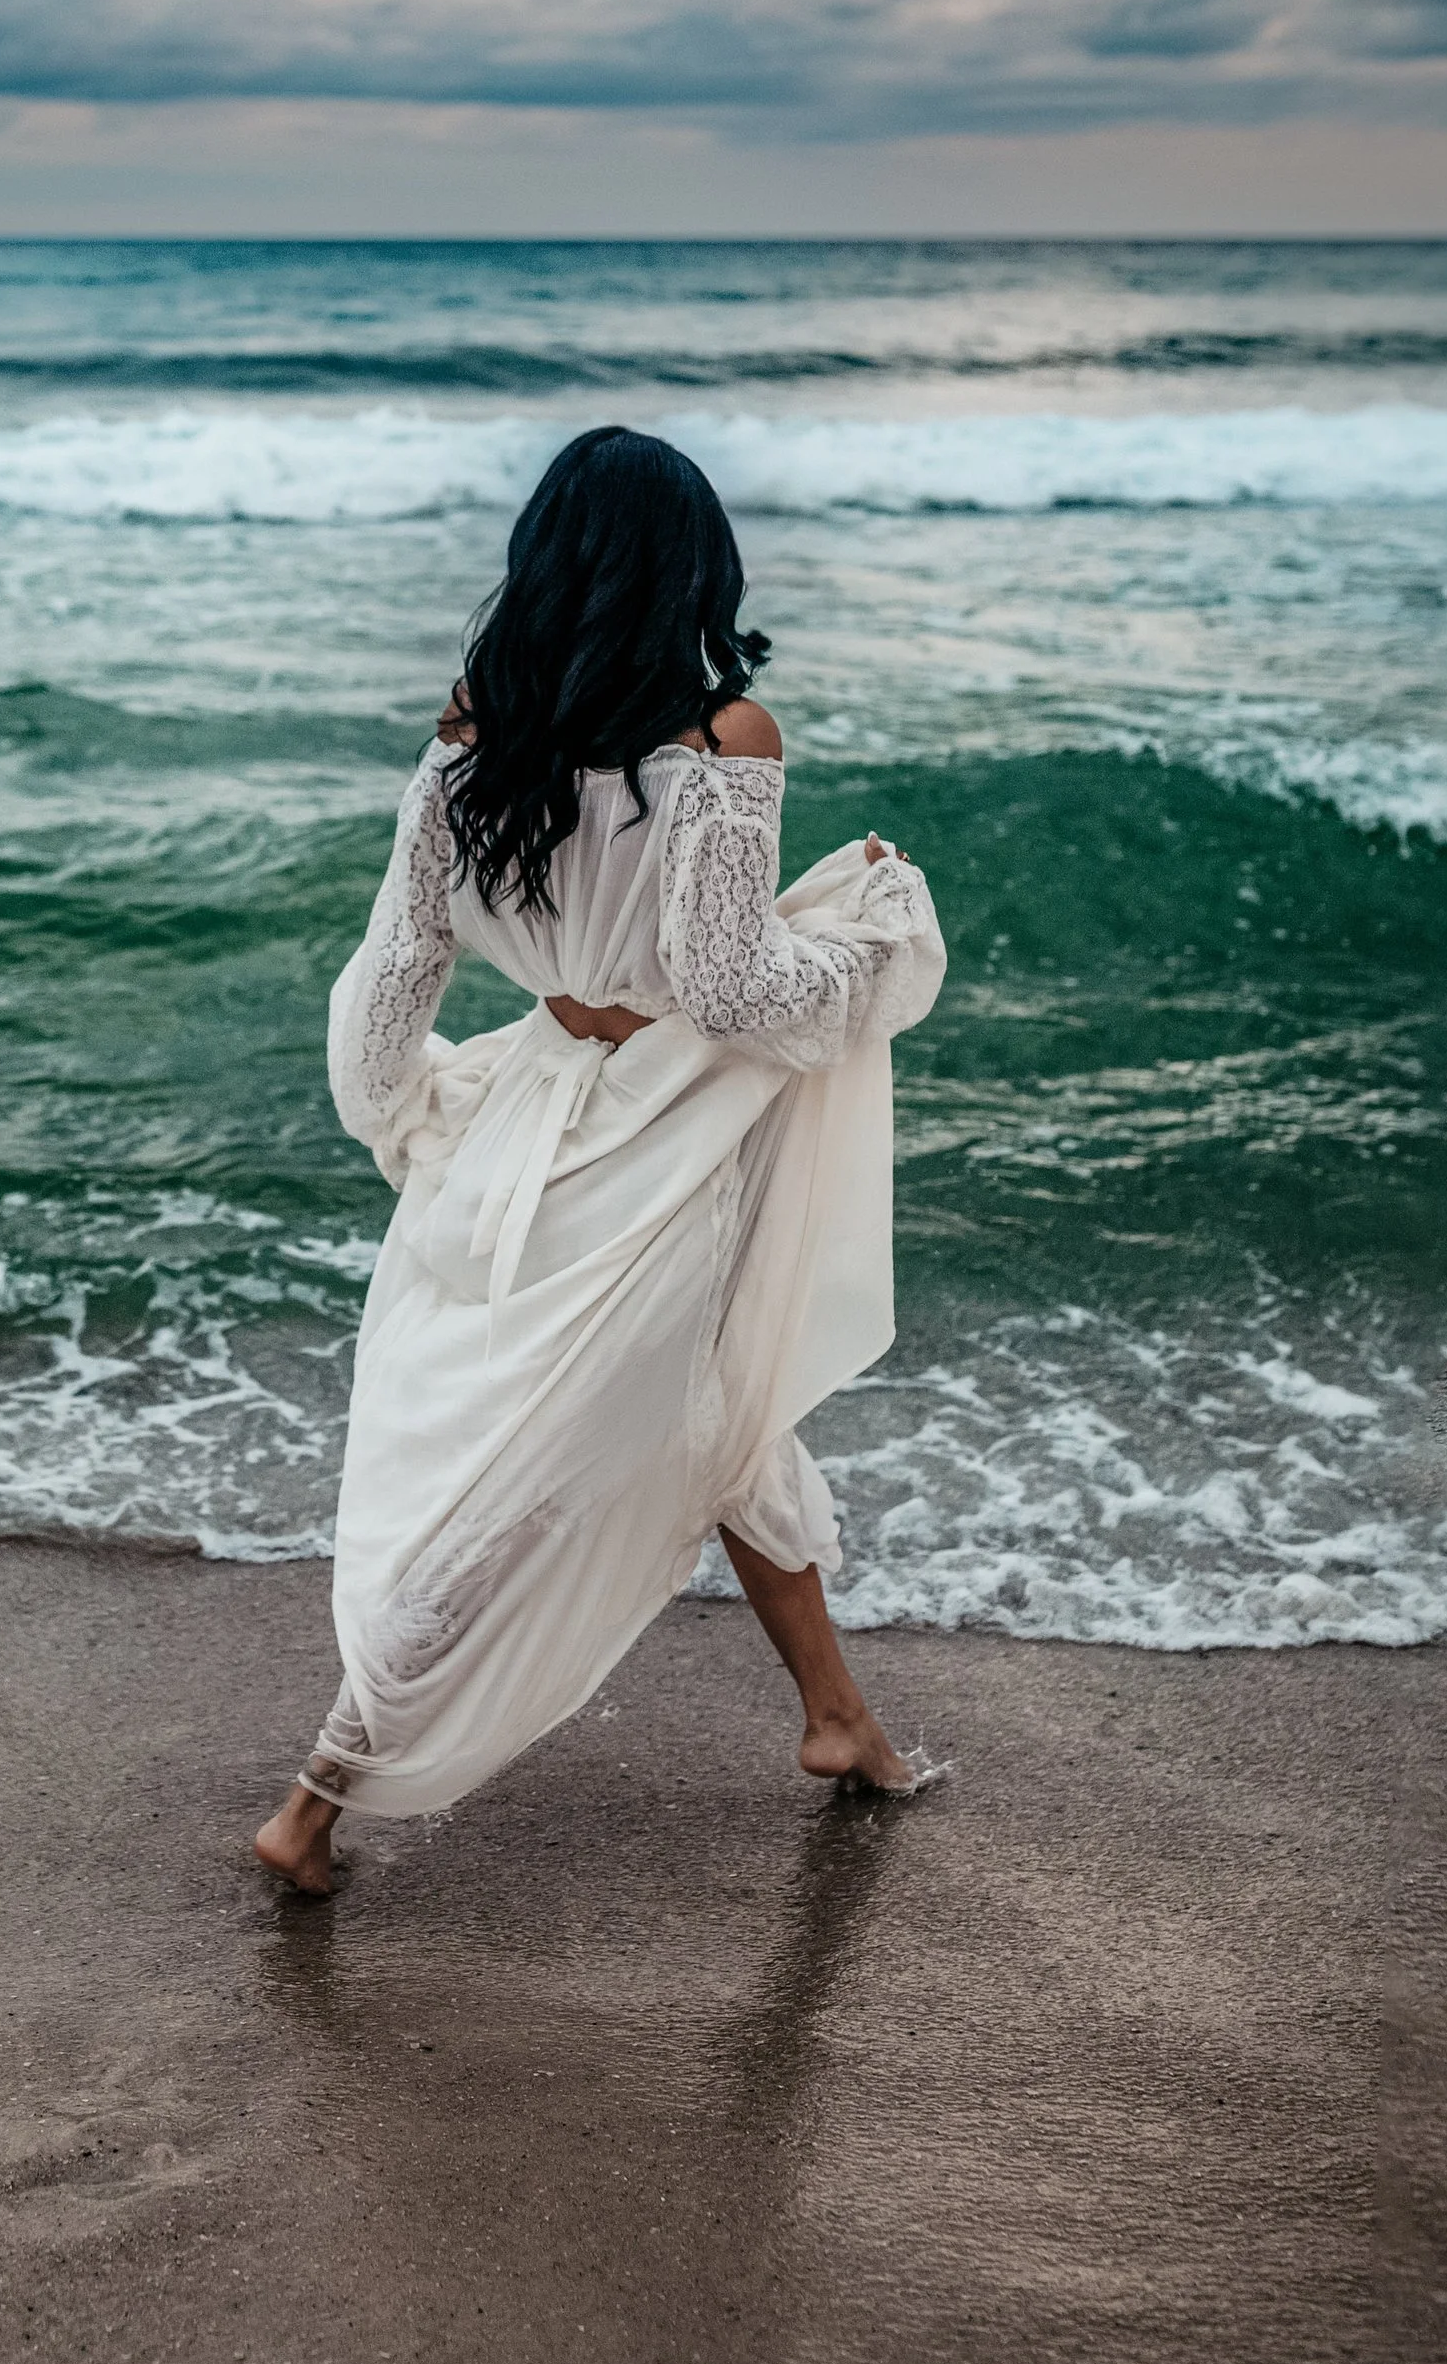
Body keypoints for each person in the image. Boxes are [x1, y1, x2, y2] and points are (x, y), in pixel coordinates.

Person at [256, 424, 947, 1895]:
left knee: (718, 1407)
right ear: (688, 567)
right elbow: (735, 986)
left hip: (527, 1120)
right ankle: (315, 1797)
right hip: (666, 1138)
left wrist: (405, 1119)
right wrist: (881, 936)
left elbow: (392, 977)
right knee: (545, 1466)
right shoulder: (720, 743)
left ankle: (841, 1719)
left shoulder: (468, 742)